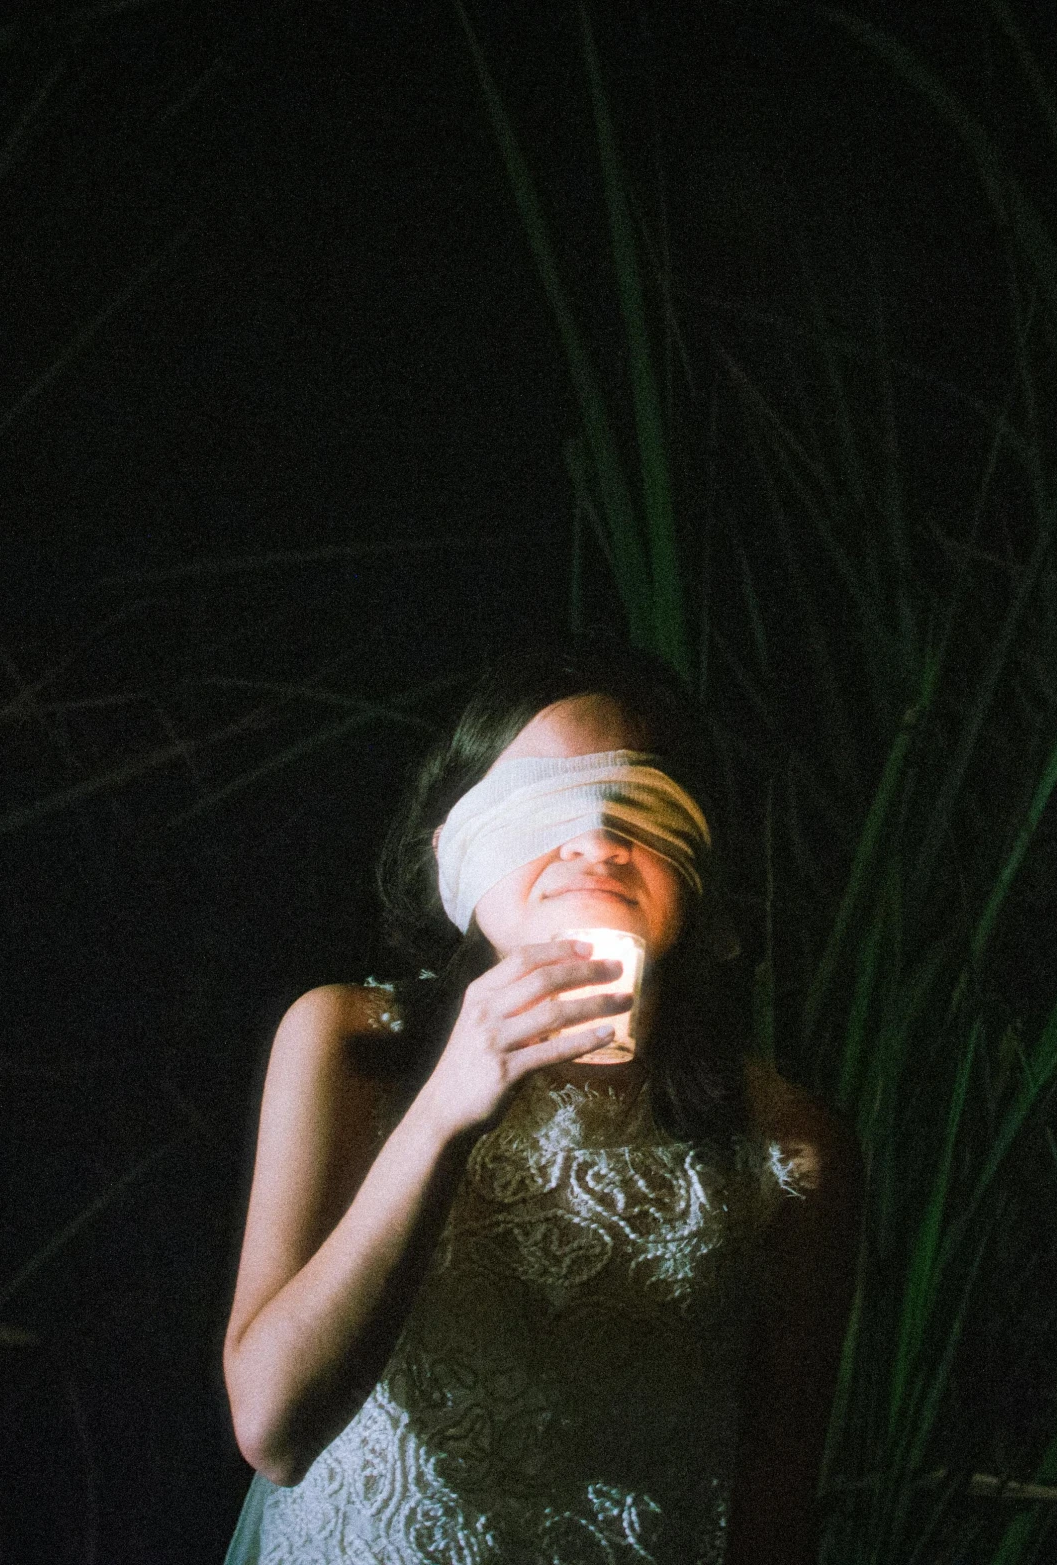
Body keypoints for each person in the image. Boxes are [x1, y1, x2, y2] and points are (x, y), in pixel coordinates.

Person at [221, 636, 862, 1563]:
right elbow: (274, 1429)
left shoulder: (794, 1148)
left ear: (698, 868)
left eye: (640, 807)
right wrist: (446, 1107)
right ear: (456, 851)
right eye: (543, 803)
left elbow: (774, 1518)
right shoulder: (349, 1043)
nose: (597, 840)